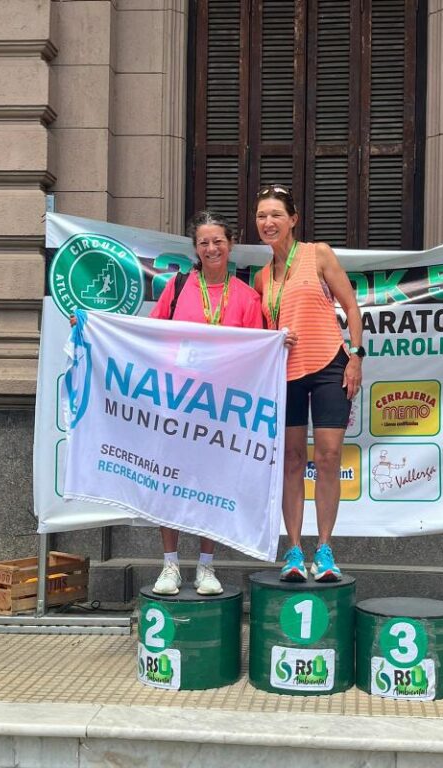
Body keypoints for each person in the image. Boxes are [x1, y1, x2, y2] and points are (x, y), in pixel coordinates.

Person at [149, 210, 264, 596]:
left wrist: (282, 341)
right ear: (195, 249)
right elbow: (147, 333)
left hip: (221, 408)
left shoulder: (247, 297)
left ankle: (205, 567)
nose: (211, 248)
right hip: (177, 402)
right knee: (169, 482)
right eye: (204, 242)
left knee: (212, 486)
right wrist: (96, 325)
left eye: (218, 241)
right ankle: (169, 566)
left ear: (231, 244)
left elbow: (258, 353)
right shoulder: (178, 287)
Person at [254, 184, 364, 583]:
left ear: (293, 220)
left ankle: (326, 550)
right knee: (292, 460)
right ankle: (295, 551)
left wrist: (356, 356)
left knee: (329, 456)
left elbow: (351, 306)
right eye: (261, 216)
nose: (268, 222)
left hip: (330, 365)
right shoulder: (262, 277)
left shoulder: (318, 254)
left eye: (276, 215)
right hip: (285, 374)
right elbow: (261, 333)